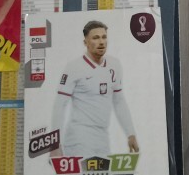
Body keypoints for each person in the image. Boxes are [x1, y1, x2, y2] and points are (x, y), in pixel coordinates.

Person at [51, 20, 138, 159]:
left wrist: (130, 133)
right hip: (80, 137)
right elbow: (60, 105)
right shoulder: (74, 67)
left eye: (104, 37)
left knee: (105, 173)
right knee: (87, 173)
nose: (101, 42)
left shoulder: (114, 65)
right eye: (95, 38)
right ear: (85, 42)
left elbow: (119, 101)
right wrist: (55, 144)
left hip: (102, 137)